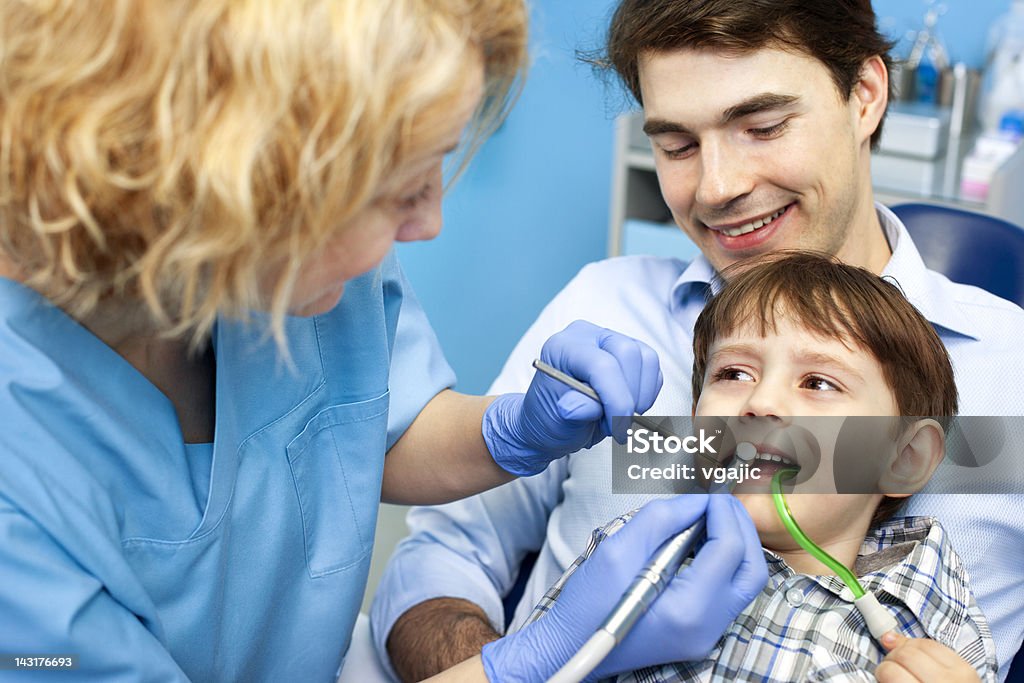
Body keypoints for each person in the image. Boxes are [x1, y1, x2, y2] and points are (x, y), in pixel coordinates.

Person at [0, 1, 772, 681]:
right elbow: (442, 559)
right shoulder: (20, 481)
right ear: (221, 171)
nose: (425, 222)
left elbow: (368, 431)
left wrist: (511, 429)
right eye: (388, 186)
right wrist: (548, 652)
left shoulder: (312, 259)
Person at [372, 1, 1024, 680]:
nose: (717, 188)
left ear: (864, 96)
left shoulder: (1012, 371)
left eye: (763, 126)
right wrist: (518, 665)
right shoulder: (607, 312)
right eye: (677, 145)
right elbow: (443, 555)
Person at [521, 251, 997, 682]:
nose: (761, 401)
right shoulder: (630, 554)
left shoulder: (933, 603)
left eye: (818, 382)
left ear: (903, 459)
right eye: (733, 374)